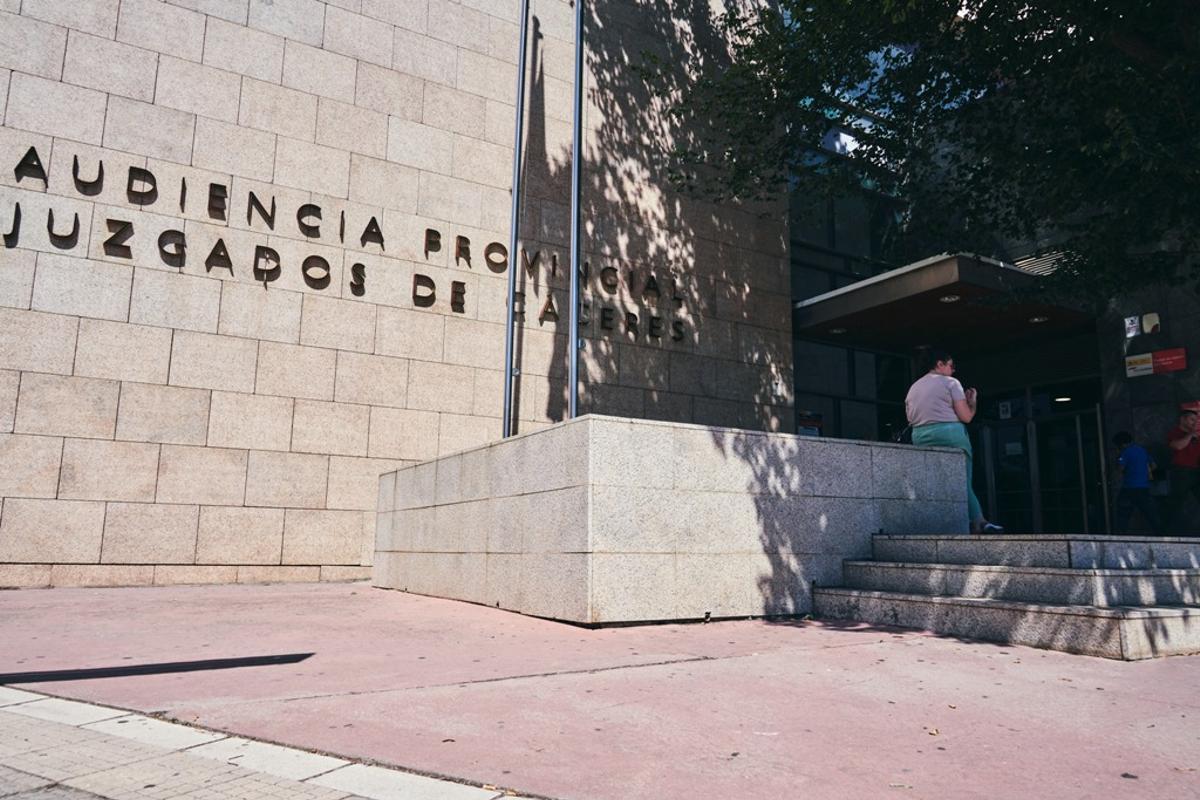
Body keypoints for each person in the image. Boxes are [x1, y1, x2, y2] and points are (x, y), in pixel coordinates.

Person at [905, 349, 1002, 533]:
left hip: (920, 437)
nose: (953, 370)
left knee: (934, 483)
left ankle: (948, 523)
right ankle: (979, 521)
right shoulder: (950, 383)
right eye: (951, 365)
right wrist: (972, 403)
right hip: (950, 435)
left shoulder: (913, 388)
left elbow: (911, 418)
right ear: (939, 364)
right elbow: (966, 417)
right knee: (963, 481)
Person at [1112, 431, 1162, 534]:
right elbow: (1154, 466)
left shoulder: (1125, 452)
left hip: (1129, 487)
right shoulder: (1142, 450)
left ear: (1121, 444)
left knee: (1123, 514)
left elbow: (1120, 469)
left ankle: (1120, 537)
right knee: (1151, 514)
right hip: (1144, 487)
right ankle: (1161, 534)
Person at [1165, 408, 1200, 533]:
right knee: (1175, 503)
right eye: (1191, 420)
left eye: (1196, 420)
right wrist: (1191, 435)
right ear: (1182, 419)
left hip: (1196, 471)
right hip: (1181, 472)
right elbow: (1177, 446)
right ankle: (1167, 532)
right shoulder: (1174, 433)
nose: (1194, 423)